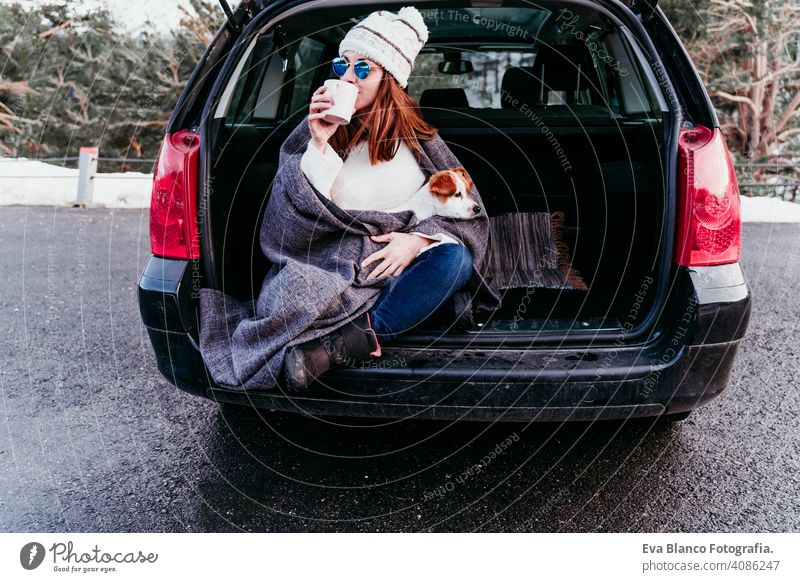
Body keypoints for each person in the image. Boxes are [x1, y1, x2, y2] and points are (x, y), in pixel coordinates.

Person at [282, 6, 476, 391]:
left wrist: (417, 240)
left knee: (455, 259)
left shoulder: (422, 141)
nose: (349, 77)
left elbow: (466, 214)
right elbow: (300, 213)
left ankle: (343, 345)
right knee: (297, 287)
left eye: (363, 68)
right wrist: (319, 141)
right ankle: (410, 311)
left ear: (389, 77)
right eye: (342, 65)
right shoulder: (317, 131)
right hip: (335, 256)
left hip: (402, 256)